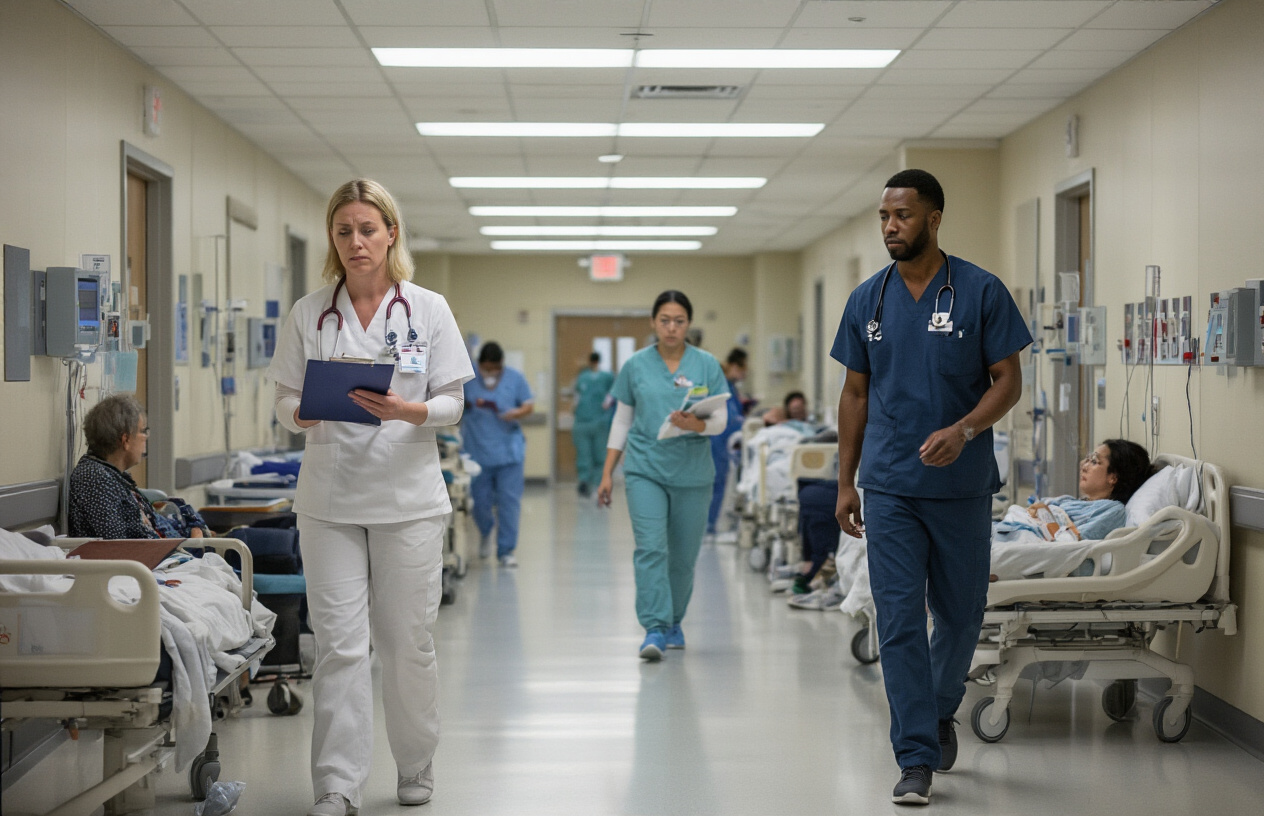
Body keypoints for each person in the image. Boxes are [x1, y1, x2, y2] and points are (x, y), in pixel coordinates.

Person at [267, 178, 474, 816]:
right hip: (329, 502)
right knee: (340, 646)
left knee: (408, 642)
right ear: (333, 238)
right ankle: (337, 784)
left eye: (368, 229)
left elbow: (453, 404)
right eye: (344, 230)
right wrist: (301, 413)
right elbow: (280, 402)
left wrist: (409, 409)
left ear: (391, 234)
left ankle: (415, 766)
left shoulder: (428, 309)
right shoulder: (309, 313)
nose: (356, 242)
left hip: (408, 501)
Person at [831, 169, 1032, 805]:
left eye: (903, 216)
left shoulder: (980, 291)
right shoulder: (869, 299)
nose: (891, 227)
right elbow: (855, 393)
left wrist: (967, 430)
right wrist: (845, 482)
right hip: (889, 484)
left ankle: (942, 708)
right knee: (897, 622)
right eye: (884, 217)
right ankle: (914, 754)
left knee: (960, 614)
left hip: (962, 485)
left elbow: (1007, 380)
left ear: (934, 218)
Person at [597, 291, 730, 660]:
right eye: (665, 320)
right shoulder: (636, 365)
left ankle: (673, 621)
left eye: (680, 321)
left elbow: (720, 421)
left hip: (692, 471)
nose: (672, 327)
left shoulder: (706, 365)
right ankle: (654, 627)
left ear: (689, 324)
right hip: (644, 469)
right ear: (653, 323)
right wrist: (608, 472)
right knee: (651, 548)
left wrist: (695, 424)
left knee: (683, 557)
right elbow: (622, 420)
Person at [68, 394, 208, 540]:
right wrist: (192, 544)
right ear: (126, 440)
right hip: (157, 559)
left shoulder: (113, 476)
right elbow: (118, 545)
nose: (146, 437)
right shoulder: (94, 478)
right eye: (143, 431)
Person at [994, 439, 1153, 544]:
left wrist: (1045, 518)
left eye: (1094, 461)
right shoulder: (1071, 501)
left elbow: (1070, 545)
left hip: (1027, 542)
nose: (1084, 465)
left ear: (1113, 477)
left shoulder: (1113, 510)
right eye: (1087, 459)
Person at [461, 341, 534, 567]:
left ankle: (506, 551)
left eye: (496, 369)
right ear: (479, 364)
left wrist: (516, 413)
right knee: (480, 502)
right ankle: (485, 531)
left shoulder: (515, 378)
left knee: (509, 503)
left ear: (502, 365)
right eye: (487, 369)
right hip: (477, 452)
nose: (491, 373)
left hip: (509, 453)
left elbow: (529, 405)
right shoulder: (467, 377)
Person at [707, 347, 748, 534]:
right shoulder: (721, 383)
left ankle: (709, 524)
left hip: (722, 439)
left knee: (718, 482)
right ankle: (707, 526)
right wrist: (743, 422)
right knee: (716, 482)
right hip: (717, 439)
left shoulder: (729, 385)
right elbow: (729, 415)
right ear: (734, 366)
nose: (744, 374)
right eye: (743, 369)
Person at [572, 351, 614, 497]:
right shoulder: (584, 377)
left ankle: (596, 483)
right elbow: (577, 398)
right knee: (588, 454)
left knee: (596, 454)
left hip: (594, 421)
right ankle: (587, 482)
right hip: (588, 421)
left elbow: (612, 396)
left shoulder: (605, 377)